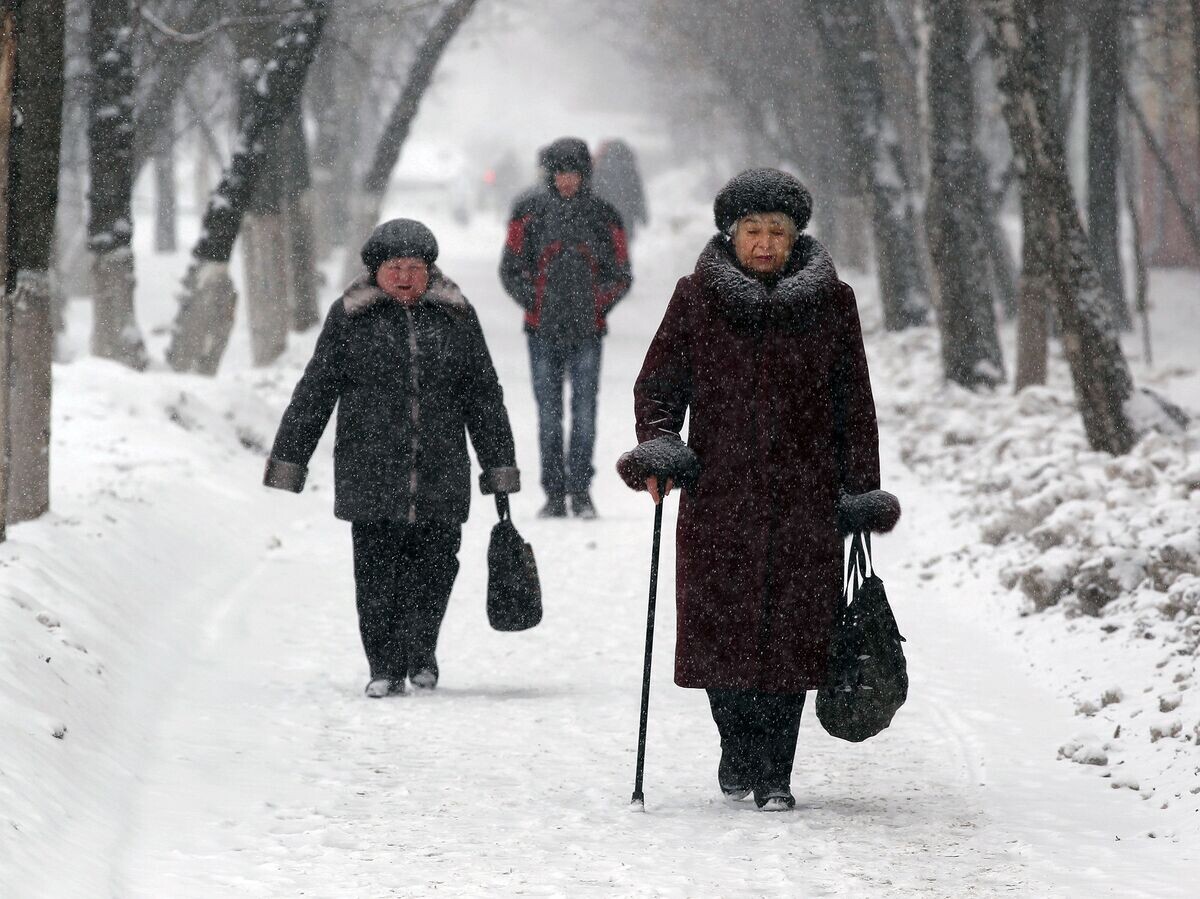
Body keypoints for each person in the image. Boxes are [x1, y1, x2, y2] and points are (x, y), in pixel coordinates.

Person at [625, 169, 880, 810]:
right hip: (720, 495)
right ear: (731, 234)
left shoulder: (833, 303)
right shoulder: (695, 298)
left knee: (794, 636)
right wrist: (660, 446)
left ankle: (777, 773)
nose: (764, 244)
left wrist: (858, 488)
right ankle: (737, 745)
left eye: (777, 233)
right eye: (752, 232)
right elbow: (659, 385)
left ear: (796, 239)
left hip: (805, 496)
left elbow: (855, 403)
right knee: (722, 633)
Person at [264, 219, 520, 698]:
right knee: (376, 570)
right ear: (375, 271)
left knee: (437, 566)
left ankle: (421, 650)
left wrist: (498, 464)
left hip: (441, 467)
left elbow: (483, 395)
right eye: (394, 267)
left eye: (415, 267)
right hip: (370, 467)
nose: (404, 277)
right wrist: (290, 458)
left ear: (430, 270)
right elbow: (317, 388)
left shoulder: (457, 315)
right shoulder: (350, 316)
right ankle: (383, 664)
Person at [500, 137, 631, 519]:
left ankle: (581, 491)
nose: (567, 180)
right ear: (550, 174)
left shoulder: (605, 217)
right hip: (541, 333)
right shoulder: (528, 213)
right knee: (548, 415)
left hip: (588, 333)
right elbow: (510, 268)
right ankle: (555, 494)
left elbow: (620, 274)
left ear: (584, 173)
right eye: (560, 173)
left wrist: (596, 305)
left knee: (585, 414)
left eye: (573, 172)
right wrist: (537, 303)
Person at [592, 139, 648, 243]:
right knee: (623, 246)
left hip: (606, 216)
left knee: (607, 247)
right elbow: (637, 192)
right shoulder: (628, 165)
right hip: (625, 215)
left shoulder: (599, 167)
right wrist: (642, 214)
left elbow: (594, 191)